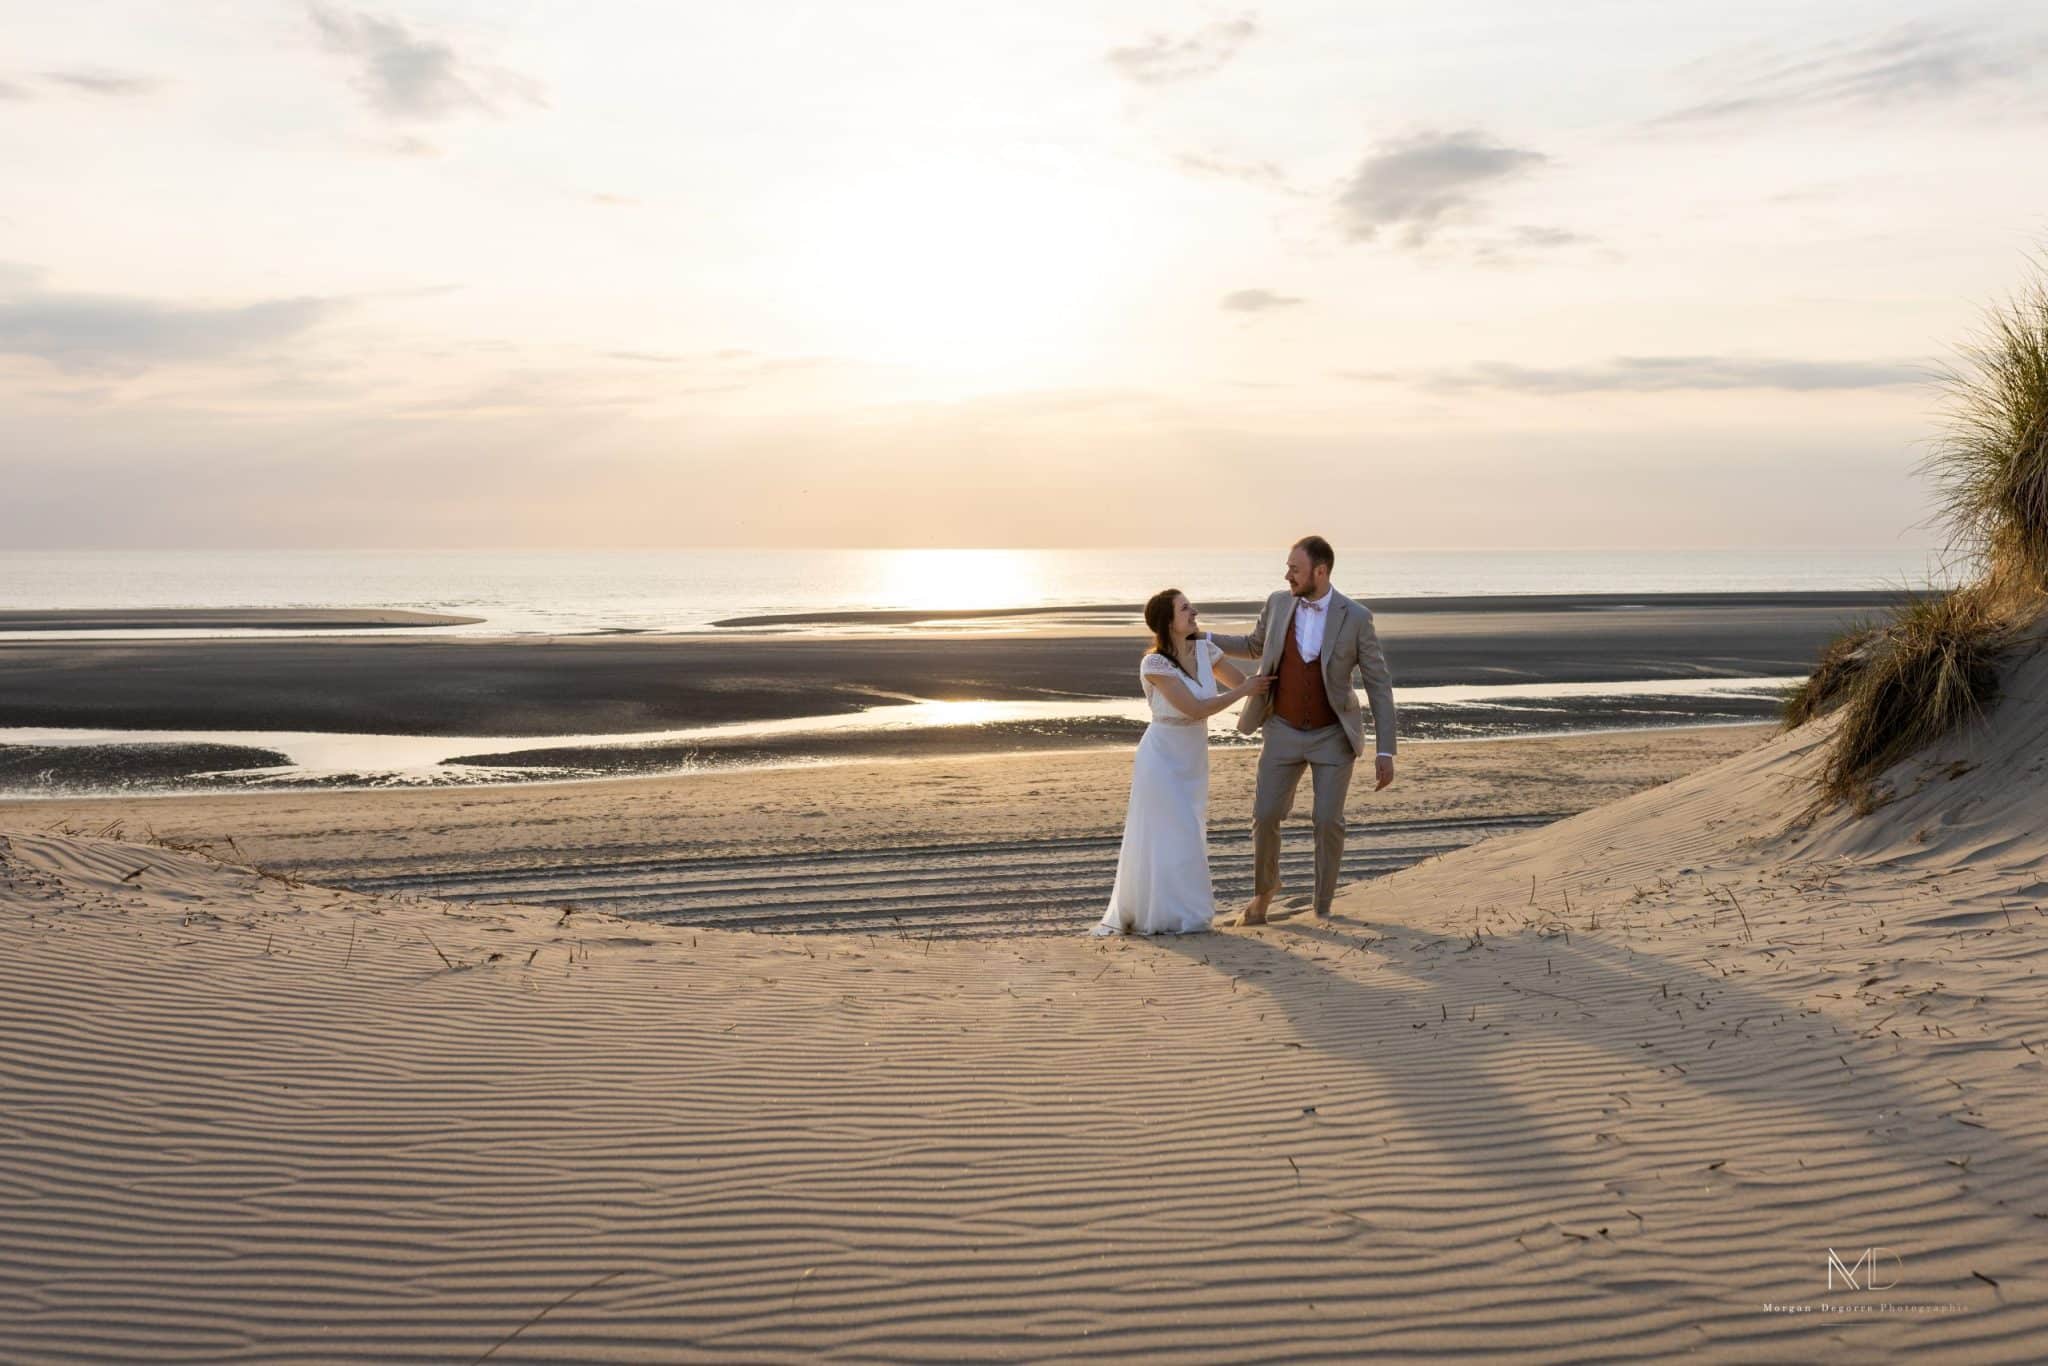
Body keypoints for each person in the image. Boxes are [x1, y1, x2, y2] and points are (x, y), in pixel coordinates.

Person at [1205, 535, 1397, 925]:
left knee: (1327, 820)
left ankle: (1322, 906)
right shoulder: (1278, 603)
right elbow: (1254, 645)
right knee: (1265, 814)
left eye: (1295, 569)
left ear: (1320, 571)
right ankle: (1264, 893)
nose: (1287, 575)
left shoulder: (1356, 617)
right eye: (1288, 568)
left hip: (1333, 735)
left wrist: (1385, 750)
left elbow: (1379, 684)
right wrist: (1202, 639)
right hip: (1282, 729)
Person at [1092, 589, 1271, 936]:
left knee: (1189, 831)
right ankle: (1174, 916)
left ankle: (1180, 911)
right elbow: (1195, 708)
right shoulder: (1154, 664)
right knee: (1173, 834)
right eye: (1185, 608)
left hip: (1193, 758)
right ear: (1168, 621)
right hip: (1161, 758)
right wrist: (1244, 691)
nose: (1194, 612)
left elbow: (1243, 682)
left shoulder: (1206, 650)